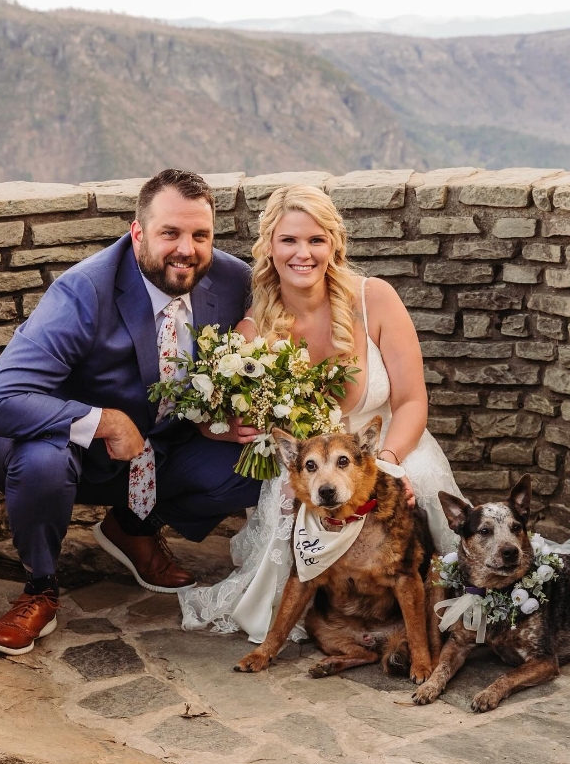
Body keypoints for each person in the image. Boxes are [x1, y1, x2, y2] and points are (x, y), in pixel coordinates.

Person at [0, 169, 262, 655]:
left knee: (254, 465)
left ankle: (132, 525)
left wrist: (231, 417)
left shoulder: (233, 282)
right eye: (170, 233)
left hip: (159, 448)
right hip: (62, 448)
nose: (186, 248)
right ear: (138, 232)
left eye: (200, 235)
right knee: (42, 461)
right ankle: (39, 588)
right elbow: (1, 398)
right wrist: (104, 421)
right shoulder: (85, 290)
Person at [179, 184, 466, 642]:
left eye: (316, 240)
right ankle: (330, 610)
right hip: (314, 464)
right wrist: (233, 428)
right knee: (293, 501)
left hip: (390, 442)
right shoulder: (253, 331)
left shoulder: (376, 299)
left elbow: (412, 400)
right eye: (289, 240)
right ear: (269, 246)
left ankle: (445, 608)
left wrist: (387, 463)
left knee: (423, 486)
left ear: (334, 244)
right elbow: (213, 417)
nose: (303, 254)